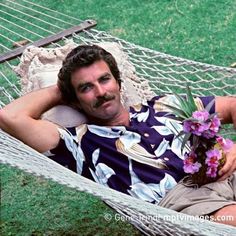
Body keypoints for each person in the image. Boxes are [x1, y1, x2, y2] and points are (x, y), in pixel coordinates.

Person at [0, 45, 235, 226]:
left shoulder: (163, 105)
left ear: (117, 82)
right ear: (73, 99)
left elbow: (232, 106)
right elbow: (10, 117)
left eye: (104, 79)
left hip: (223, 172)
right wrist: (60, 89)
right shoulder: (79, 143)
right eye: (86, 88)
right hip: (185, 204)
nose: (101, 92)